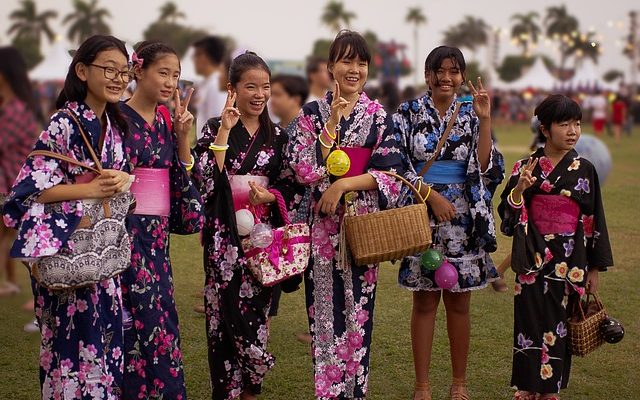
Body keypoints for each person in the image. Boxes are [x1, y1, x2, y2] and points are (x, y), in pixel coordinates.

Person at [2, 34, 132, 399]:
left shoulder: (115, 124)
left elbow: (122, 177)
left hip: (101, 257)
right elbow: (29, 190)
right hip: (67, 254)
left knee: (105, 348)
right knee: (69, 350)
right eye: (109, 69)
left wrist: (124, 178)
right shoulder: (64, 122)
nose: (118, 78)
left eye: (124, 72)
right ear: (81, 70)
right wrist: (90, 190)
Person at [288, 30, 406, 399]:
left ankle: (356, 392)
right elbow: (301, 168)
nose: (354, 69)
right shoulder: (311, 114)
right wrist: (331, 128)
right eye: (346, 61)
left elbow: (390, 174)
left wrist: (343, 185)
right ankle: (328, 393)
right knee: (324, 315)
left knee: (359, 314)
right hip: (322, 228)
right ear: (330, 67)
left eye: (361, 62)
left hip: (361, 225)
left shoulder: (378, 116)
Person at [394, 46, 504, 400]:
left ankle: (459, 384)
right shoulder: (407, 113)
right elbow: (396, 164)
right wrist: (430, 196)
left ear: (462, 77)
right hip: (420, 216)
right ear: (427, 75)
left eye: (454, 71)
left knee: (460, 303)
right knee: (424, 302)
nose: (446, 77)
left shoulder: (472, 113)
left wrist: (485, 120)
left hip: (464, 219)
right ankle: (422, 386)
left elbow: (487, 168)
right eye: (438, 71)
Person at [192, 52, 302, 400]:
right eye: (250, 86)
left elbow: (291, 184)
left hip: (261, 239)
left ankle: (252, 386)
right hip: (224, 238)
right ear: (232, 89)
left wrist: (270, 196)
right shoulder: (214, 127)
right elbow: (207, 180)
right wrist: (224, 130)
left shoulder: (279, 136)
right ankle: (225, 391)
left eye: (265, 87)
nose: (259, 94)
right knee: (221, 321)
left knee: (255, 316)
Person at [498, 94, 613, 400]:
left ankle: (551, 388)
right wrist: (520, 190)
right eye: (564, 124)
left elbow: (593, 218)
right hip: (532, 255)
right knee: (528, 320)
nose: (573, 130)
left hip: (569, 259)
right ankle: (526, 386)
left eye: (577, 123)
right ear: (546, 129)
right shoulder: (526, 166)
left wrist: (594, 266)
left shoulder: (585, 169)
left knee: (558, 324)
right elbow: (509, 214)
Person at [119, 40, 203, 400]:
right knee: (129, 325)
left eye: (177, 75)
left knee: (161, 322)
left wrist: (183, 138)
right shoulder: (116, 118)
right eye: (163, 73)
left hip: (155, 241)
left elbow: (180, 174)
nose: (171, 82)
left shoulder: (168, 119)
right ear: (138, 70)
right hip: (124, 233)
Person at [267, 73, 309, 319]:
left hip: (298, 210)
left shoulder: (303, 130)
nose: (272, 99)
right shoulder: (279, 130)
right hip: (279, 205)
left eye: (278, 94)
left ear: (295, 98)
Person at [0, 46, 40, 297]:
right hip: (11, 184)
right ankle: (14, 283)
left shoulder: (15, 110)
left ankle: (42, 296)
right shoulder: (11, 105)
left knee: (26, 243)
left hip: (19, 186)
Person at [192, 36, 227, 138]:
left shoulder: (216, 85)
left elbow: (218, 121)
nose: (194, 60)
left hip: (211, 148)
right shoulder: (206, 84)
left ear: (206, 57)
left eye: (197, 55)